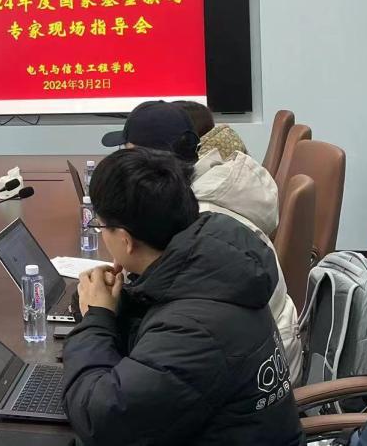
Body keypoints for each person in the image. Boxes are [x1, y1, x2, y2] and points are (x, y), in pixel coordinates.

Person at [62, 148, 302, 446]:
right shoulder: (213, 258)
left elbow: (100, 419)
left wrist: (97, 319)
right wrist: (111, 305)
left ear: (125, 240)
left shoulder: (193, 329)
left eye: (101, 227)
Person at [100, 99, 302, 383]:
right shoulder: (209, 190)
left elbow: (185, 329)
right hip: (264, 355)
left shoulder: (197, 218)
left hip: (257, 376)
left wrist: (98, 319)